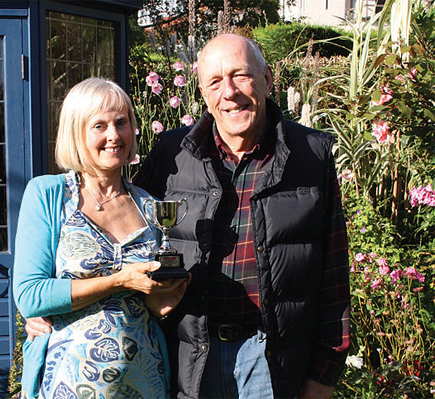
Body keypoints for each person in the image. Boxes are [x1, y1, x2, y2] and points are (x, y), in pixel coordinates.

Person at [26, 34, 351, 399]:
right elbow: (115, 234)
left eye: (241, 75)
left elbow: (334, 274)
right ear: (202, 92)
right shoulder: (172, 154)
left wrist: (324, 374)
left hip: (271, 359)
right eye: (215, 81)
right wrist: (44, 306)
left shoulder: (311, 155)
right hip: (192, 356)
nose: (229, 92)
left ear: (268, 79)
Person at [13, 77, 189, 399]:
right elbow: (29, 295)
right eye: (99, 125)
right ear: (77, 133)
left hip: (145, 383)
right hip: (65, 385)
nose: (114, 136)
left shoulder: (149, 205)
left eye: (121, 123)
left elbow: (149, 302)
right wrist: (119, 281)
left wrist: (161, 300)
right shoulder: (48, 195)